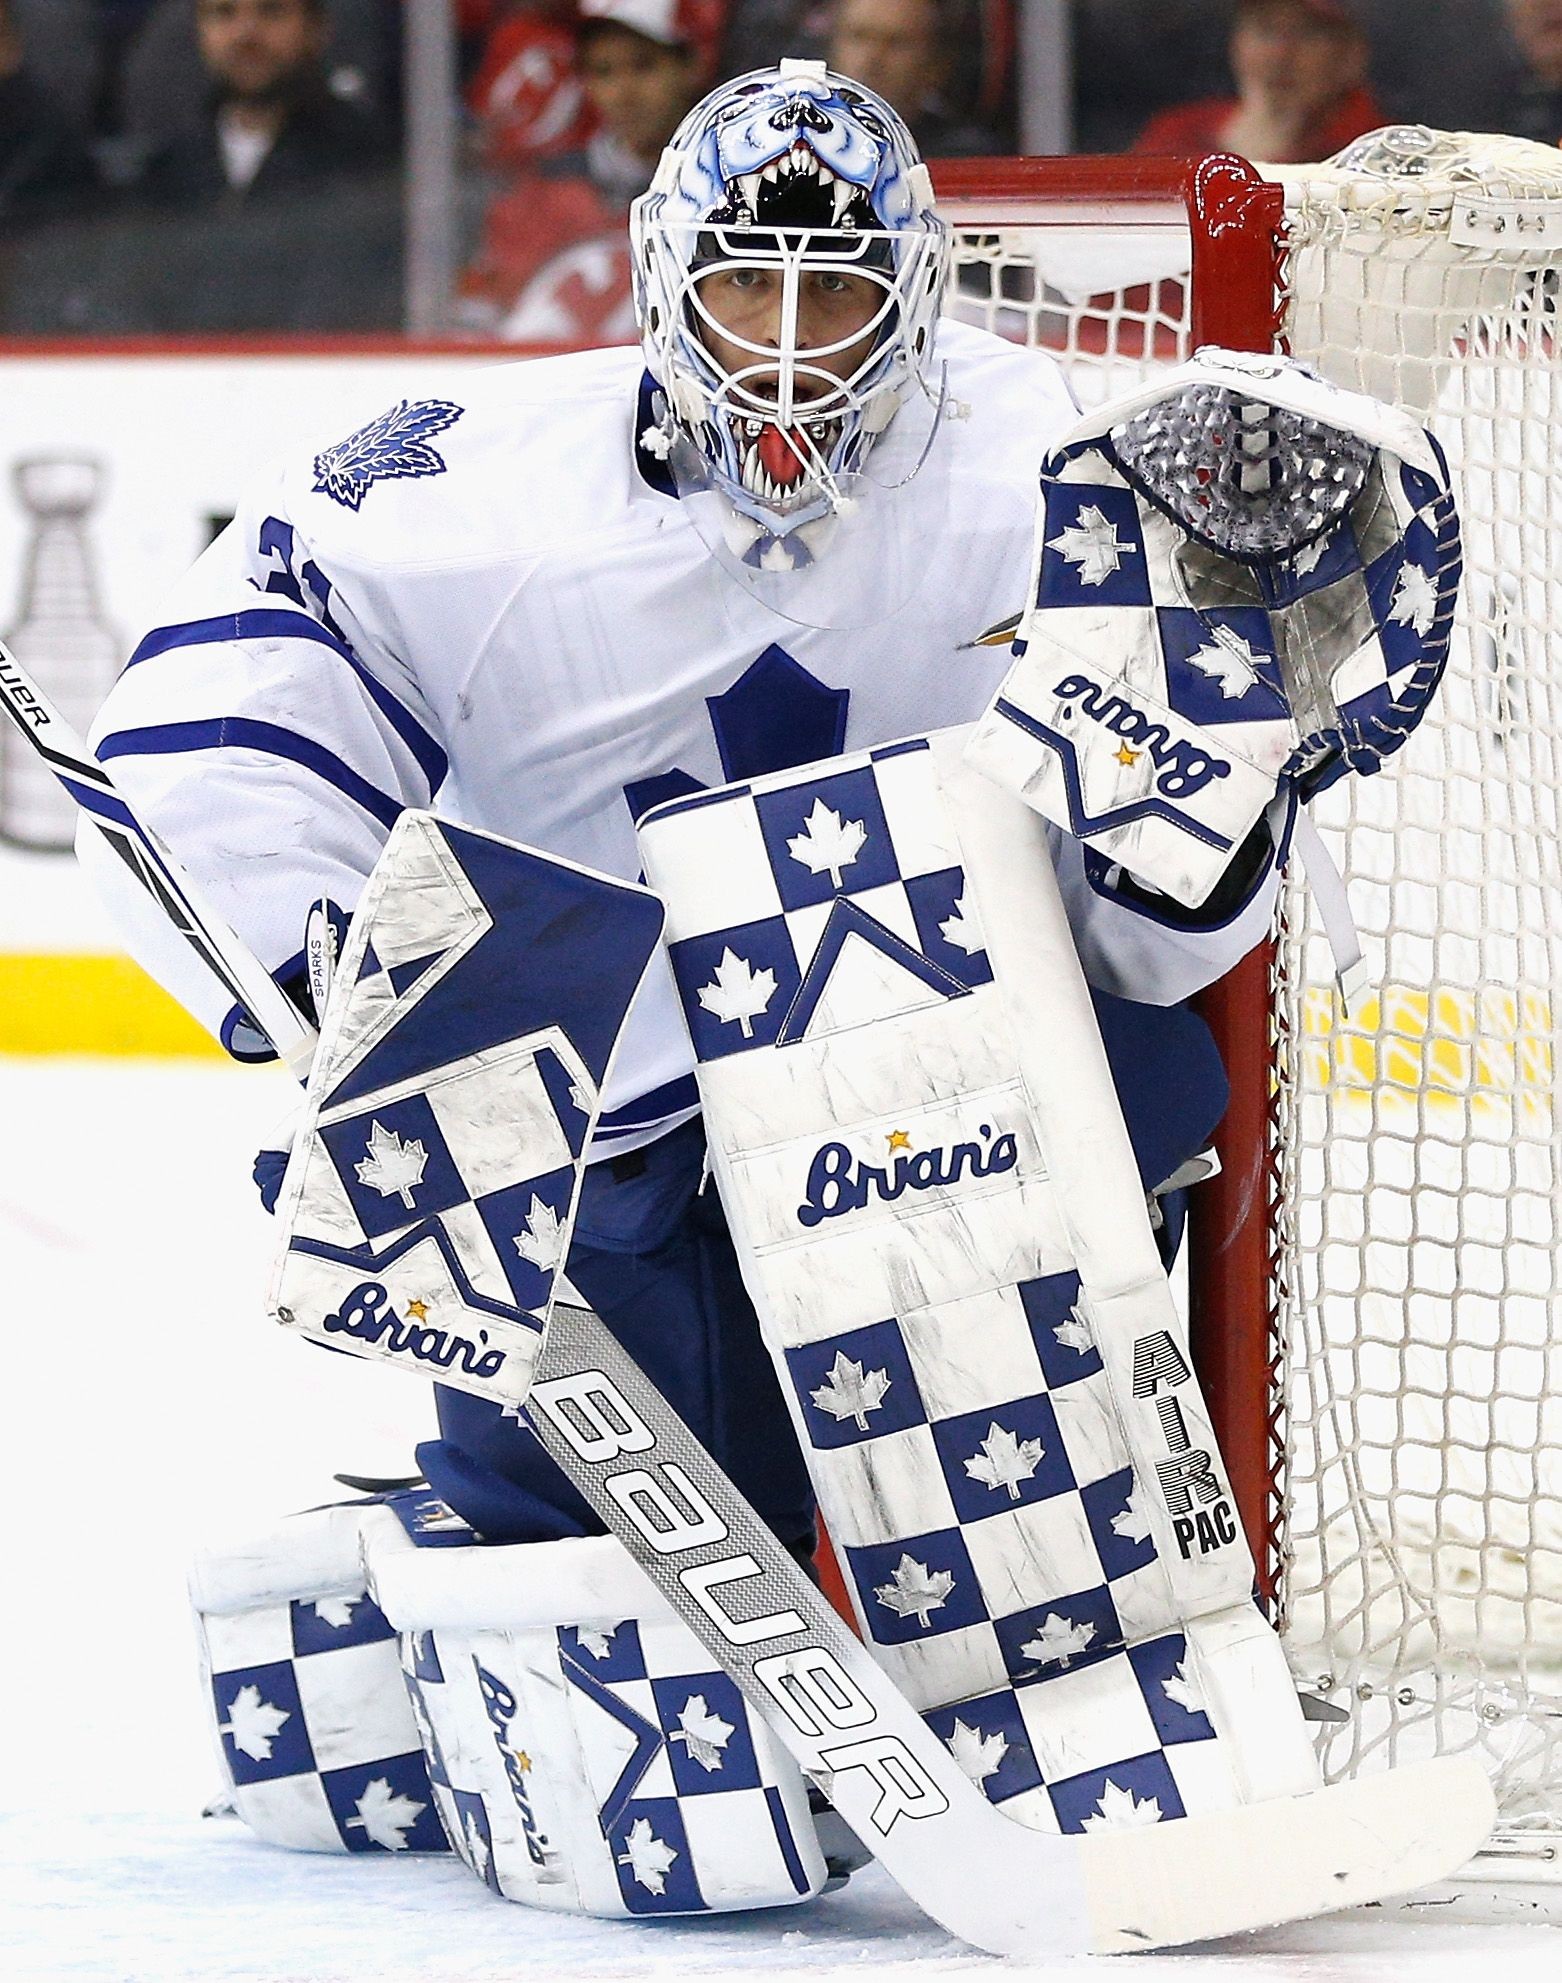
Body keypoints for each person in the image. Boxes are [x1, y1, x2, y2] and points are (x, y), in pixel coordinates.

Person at [86, 60, 1277, 1568]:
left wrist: (1231, 784)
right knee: (571, 1574)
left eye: (833, 299)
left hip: (949, 1120)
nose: (782, 356)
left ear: (915, 294)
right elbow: (215, 720)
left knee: (1018, 1553)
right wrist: (325, 969)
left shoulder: (1062, 478)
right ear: (661, 279)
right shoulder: (470, 484)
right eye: (739, 291)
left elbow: (1151, 939)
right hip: (604, 1123)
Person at [461, 0, 716, 342]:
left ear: (690, 67)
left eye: (644, 66)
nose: (624, 93)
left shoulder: (728, 187)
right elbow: (478, 319)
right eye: (603, 71)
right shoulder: (542, 194)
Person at [136, 0, 391, 206]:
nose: (245, 34)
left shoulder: (369, 161)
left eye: (271, 11)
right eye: (224, 12)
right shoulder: (166, 172)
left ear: (316, 29)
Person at [1133, 0, 1388, 164]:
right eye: (1265, 30)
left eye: (1307, 34)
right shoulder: (1178, 131)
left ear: (1352, 54)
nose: (1279, 55)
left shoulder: (1376, 149)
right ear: (1235, 44)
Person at [824, 0, 999, 155]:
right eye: (859, 36)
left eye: (896, 43)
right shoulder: (803, 141)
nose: (873, 58)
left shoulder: (964, 155)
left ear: (935, 66)